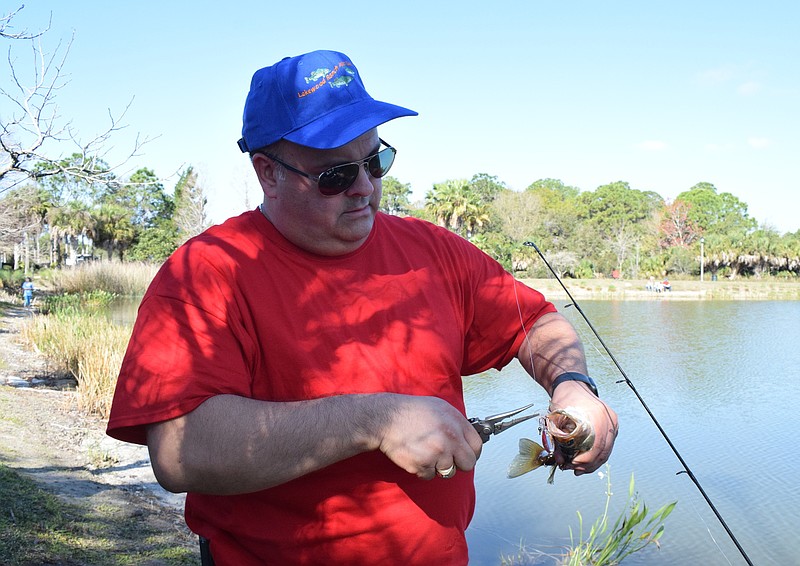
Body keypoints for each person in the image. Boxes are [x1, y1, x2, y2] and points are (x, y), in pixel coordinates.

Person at [106, 49, 618, 565]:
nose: (365, 188)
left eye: (377, 161)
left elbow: (534, 323)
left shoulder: (434, 252)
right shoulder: (208, 273)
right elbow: (180, 452)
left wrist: (573, 385)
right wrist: (374, 420)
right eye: (335, 175)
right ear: (268, 173)